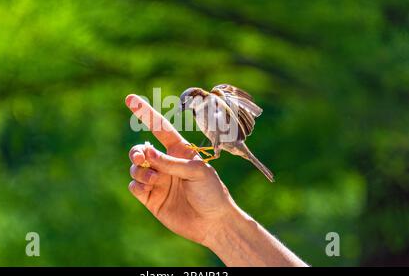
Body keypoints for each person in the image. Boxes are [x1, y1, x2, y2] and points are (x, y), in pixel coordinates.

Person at [126, 94, 307, 267]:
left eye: (188, 102)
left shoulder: (212, 103)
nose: (187, 107)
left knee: (214, 151)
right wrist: (220, 224)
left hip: (231, 141)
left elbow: (218, 144)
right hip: (220, 147)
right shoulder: (201, 111)